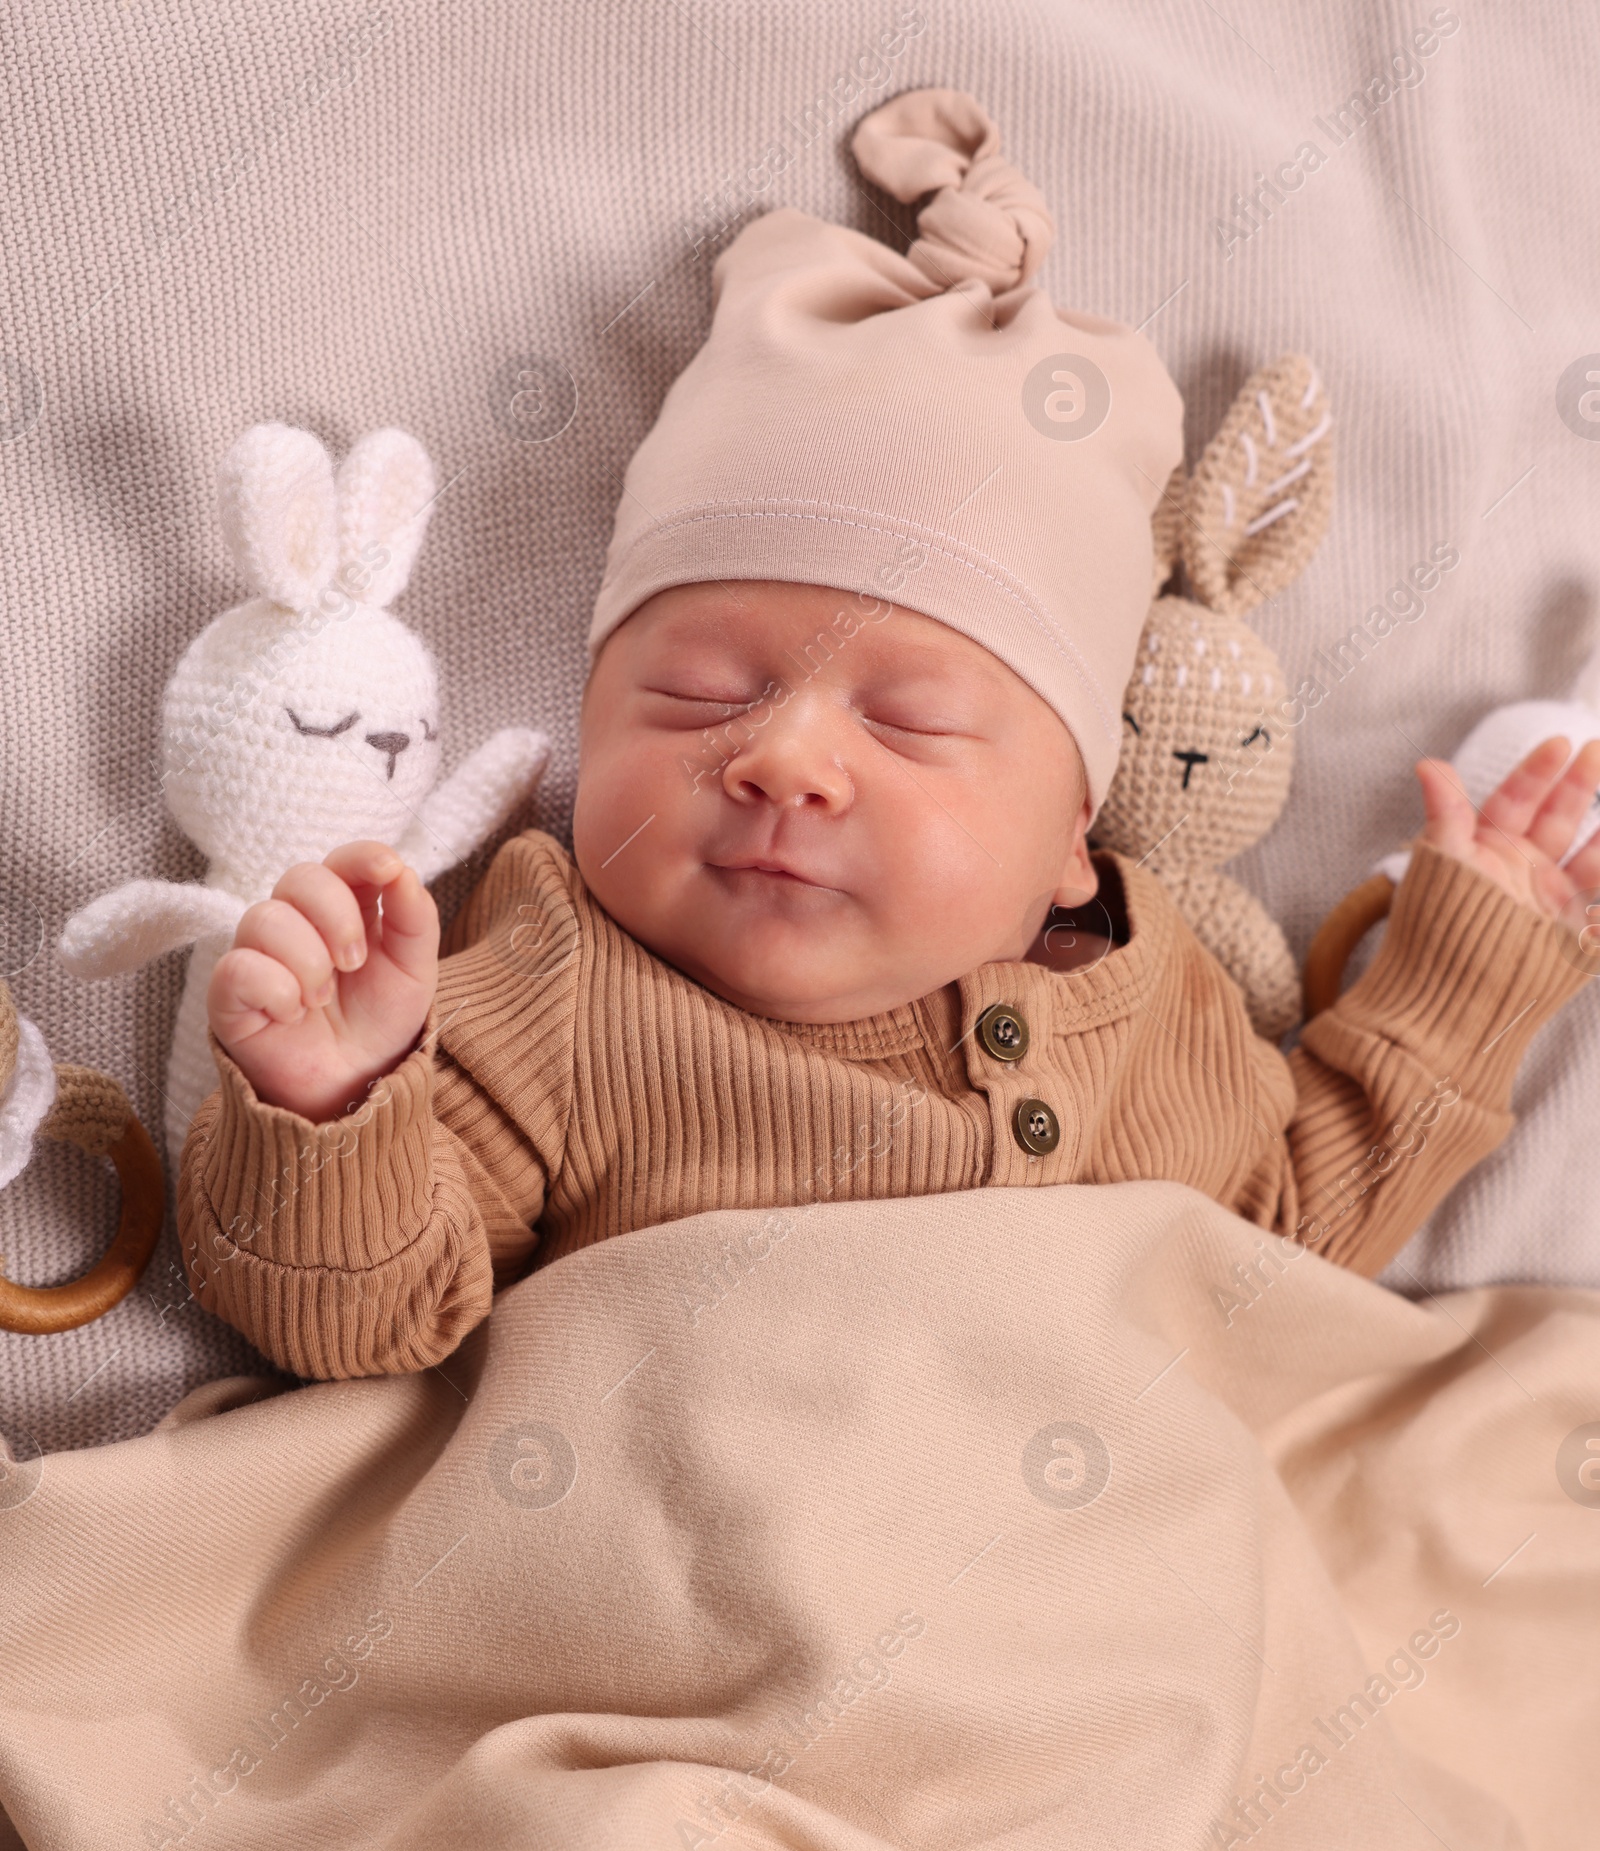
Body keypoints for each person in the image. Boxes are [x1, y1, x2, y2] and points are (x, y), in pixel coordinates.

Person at [175, 88, 1600, 1382]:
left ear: (1068, 845)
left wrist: (1469, 972)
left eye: (911, 719)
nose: (782, 758)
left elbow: (1289, 1232)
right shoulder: (544, 998)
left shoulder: (1147, 1005)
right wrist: (334, 1104)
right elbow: (361, 1330)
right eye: (696, 692)